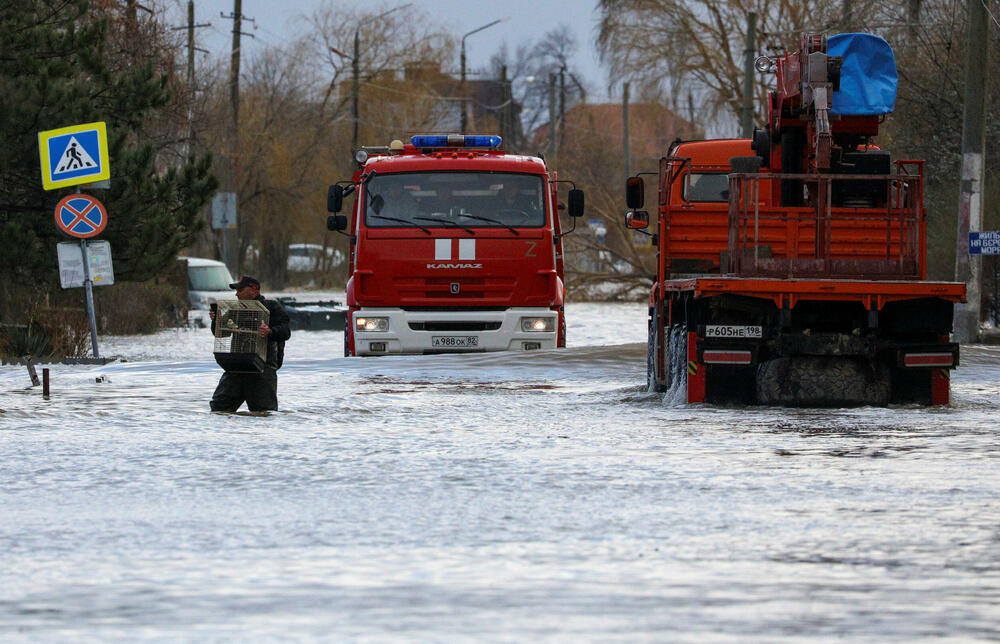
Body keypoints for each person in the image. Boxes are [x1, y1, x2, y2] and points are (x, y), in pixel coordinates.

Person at [209, 275, 291, 412]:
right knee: (219, 409)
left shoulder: (272, 307)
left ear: (254, 290)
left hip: (263, 369)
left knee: (264, 412)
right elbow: (221, 333)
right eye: (237, 290)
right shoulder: (235, 309)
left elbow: (286, 331)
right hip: (237, 366)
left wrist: (270, 331)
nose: (237, 293)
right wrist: (216, 320)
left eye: (240, 290)